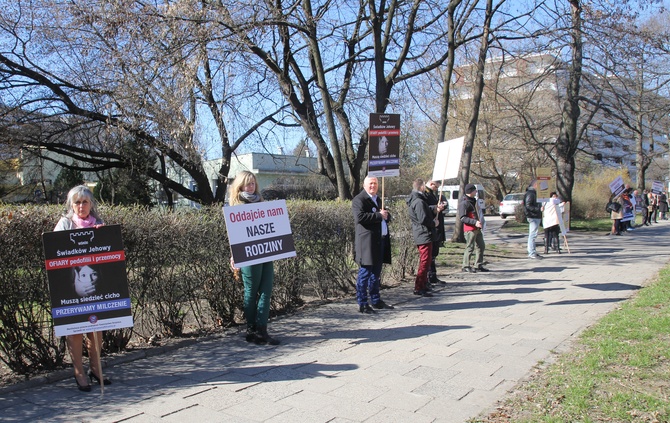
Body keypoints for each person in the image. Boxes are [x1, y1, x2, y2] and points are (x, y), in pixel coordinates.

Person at [54, 185, 111, 392]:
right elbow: (55, 252)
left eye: (84, 202)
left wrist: (103, 236)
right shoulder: (65, 224)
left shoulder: (99, 223)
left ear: (91, 204)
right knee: (75, 330)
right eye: (77, 202)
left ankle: (96, 370)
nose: (81, 206)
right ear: (71, 205)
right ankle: (79, 373)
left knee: (96, 330)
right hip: (72, 287)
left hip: (96, 288)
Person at [229, 171, 280, 345]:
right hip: (247, 254)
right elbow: (234, 235)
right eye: (247, 184)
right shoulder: (236, 206)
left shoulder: (262, 203)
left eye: (253, 183)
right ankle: (251, 329)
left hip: (265, 251)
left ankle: (262, 329)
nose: (251, 187)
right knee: (251, 292)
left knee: (266, 290)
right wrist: (234, 255)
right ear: (240, 186)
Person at [352, 175, 394, 313]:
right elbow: (360, 217)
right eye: (370, 183)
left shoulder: (378, 199)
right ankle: (362, 302)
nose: (373, 186)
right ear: (364, 185)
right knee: (365, 273)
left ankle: (376, 300)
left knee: (376, 274)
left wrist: (387, 216)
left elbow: (383, 215)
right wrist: (379, 216)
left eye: (375, 183)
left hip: (379, 241)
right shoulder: (359, 199)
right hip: (367, 243)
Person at [407, 178, 436, 297]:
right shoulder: (418, 201)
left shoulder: (418, 200)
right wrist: (434, 223)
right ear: (422, 187)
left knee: (427, 260)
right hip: (423, 234)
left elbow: (424, 212)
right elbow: (423, 218)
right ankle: (419, 287)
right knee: (424, 261)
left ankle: (423, 284)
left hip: (423, 233)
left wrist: (433, 209)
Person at [459, 183, 487, 273]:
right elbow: (463, 218)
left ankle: (478, 265)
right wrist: (474, 222)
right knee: (470, 247)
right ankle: (465, 265)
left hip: (477, 228)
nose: (476, 192)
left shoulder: (474, 200)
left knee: (481, 246)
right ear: (470, 191)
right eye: (475, 190)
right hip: (470, 229)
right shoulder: (464, 202)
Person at [424, 179, 447, 287]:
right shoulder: (425, 194)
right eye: (436, 187)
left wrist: (442, 205)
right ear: (431, 184)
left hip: (437, 226)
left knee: (434, 254)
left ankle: (433, 276)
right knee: (430, 255)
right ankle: (428, 277)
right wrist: (435, 208)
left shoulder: (433, 194)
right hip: (431, 227)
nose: (437, 189)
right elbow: (425, 209)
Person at [524, 180, 543, 259]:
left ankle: (532, 251)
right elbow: (528, 205)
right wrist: (538, 209)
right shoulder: (531, 194)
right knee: (533, 234)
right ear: (535, 185)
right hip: (533, 216)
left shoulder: (533, 193)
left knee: (533, 234)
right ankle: (531, 252)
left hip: (535, 216)